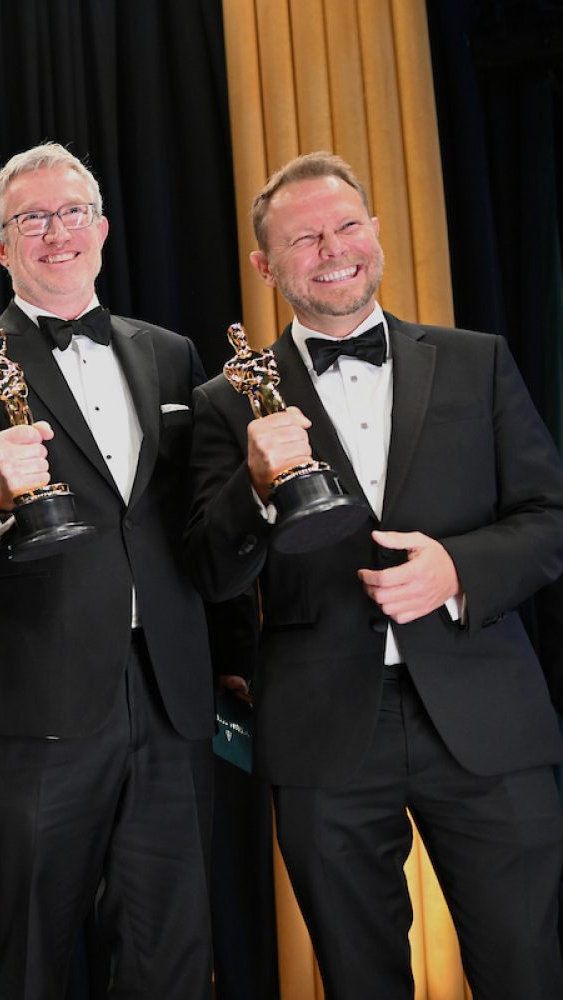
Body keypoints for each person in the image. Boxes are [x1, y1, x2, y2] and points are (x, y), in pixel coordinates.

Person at [187, 151, 563, 999]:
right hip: (322, 733)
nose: (334, 249)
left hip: (487, 724)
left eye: (348, 226)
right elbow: (208, 573)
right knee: (359, 980)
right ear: (266, 264)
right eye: (306, 237)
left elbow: (549, 519)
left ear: (378, 232)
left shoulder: (479, 361)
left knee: (526, 971)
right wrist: (252, 486)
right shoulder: (224, 401)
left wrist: (457, 569)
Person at [0, 141, 216, 999]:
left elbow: (190, 524)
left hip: (168, 696)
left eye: (72, 212)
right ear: (1, 246)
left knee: (171, 954)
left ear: (103, 228)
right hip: (31, 707)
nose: (57, 233)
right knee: (33, 959)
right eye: (32, 219)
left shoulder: (170, 354)